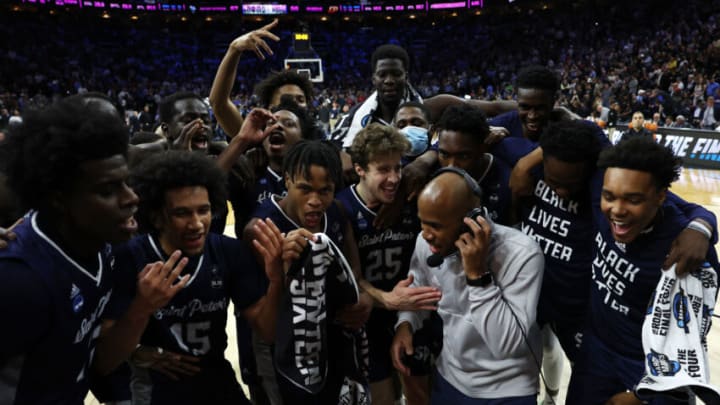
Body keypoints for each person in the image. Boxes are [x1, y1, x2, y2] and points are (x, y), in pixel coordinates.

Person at [0, 98, 187, 404]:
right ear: (59, 198)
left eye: (126, 183)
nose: (131, 198)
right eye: (107, 190)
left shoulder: (104, 247)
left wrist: (141, 308)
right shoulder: (19, 280)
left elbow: (101, 363)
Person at [105, 151, 284, 405]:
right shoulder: (128, 258)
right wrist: (140, 321)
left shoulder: (228, 252)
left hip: (216, 380)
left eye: (204, 210)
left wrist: (276, 281)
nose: (197, 223)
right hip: (155, 390)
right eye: (182, 213)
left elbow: (267, 331)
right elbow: (103, 355)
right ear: (156, 216)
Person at [566, 137, 719, 405]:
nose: (617, 210)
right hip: (597, 348)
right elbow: (576, 130)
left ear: (661, 196)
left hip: (651, 367)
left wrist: (640, 396)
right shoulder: (601, 186)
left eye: (633, 200)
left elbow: (688, 339)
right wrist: (705, 222)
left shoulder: (688, 249)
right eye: (609, 196)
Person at [391, 168, 544, 404]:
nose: (426, 235)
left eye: (436, 226)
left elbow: (506, 345)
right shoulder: (426, 242)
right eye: (423, 223)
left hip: (508, 389)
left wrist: (477, 275)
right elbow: (419, 284)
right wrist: (406, 323)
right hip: (450, 377)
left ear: (470, 222)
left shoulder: (523, 254)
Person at [243, 140, 373, 405]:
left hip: (330, 333)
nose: (315, 201)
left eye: (324, 190)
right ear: (288, 180)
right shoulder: (260, 228)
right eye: (305, 189)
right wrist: (283, 270)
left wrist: (363, 298)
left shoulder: (335, 211)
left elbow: (355, 272)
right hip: (282, 346)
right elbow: (264, 323)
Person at [338, 123, 441, 405]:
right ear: (359, 169)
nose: (394, 178)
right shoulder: (342, 208)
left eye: (397, 168)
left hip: (416, 313)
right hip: (370, 319)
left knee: (422, 396)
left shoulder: (411, 199)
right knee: (384, 398)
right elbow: (348, 277)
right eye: (383, 170)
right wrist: (388, 299)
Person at [435, 104, 513, 224]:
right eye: (445, 155)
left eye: (463, 156)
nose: (451, 166)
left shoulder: (508, 183)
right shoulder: (429, 174)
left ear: (483, 148)